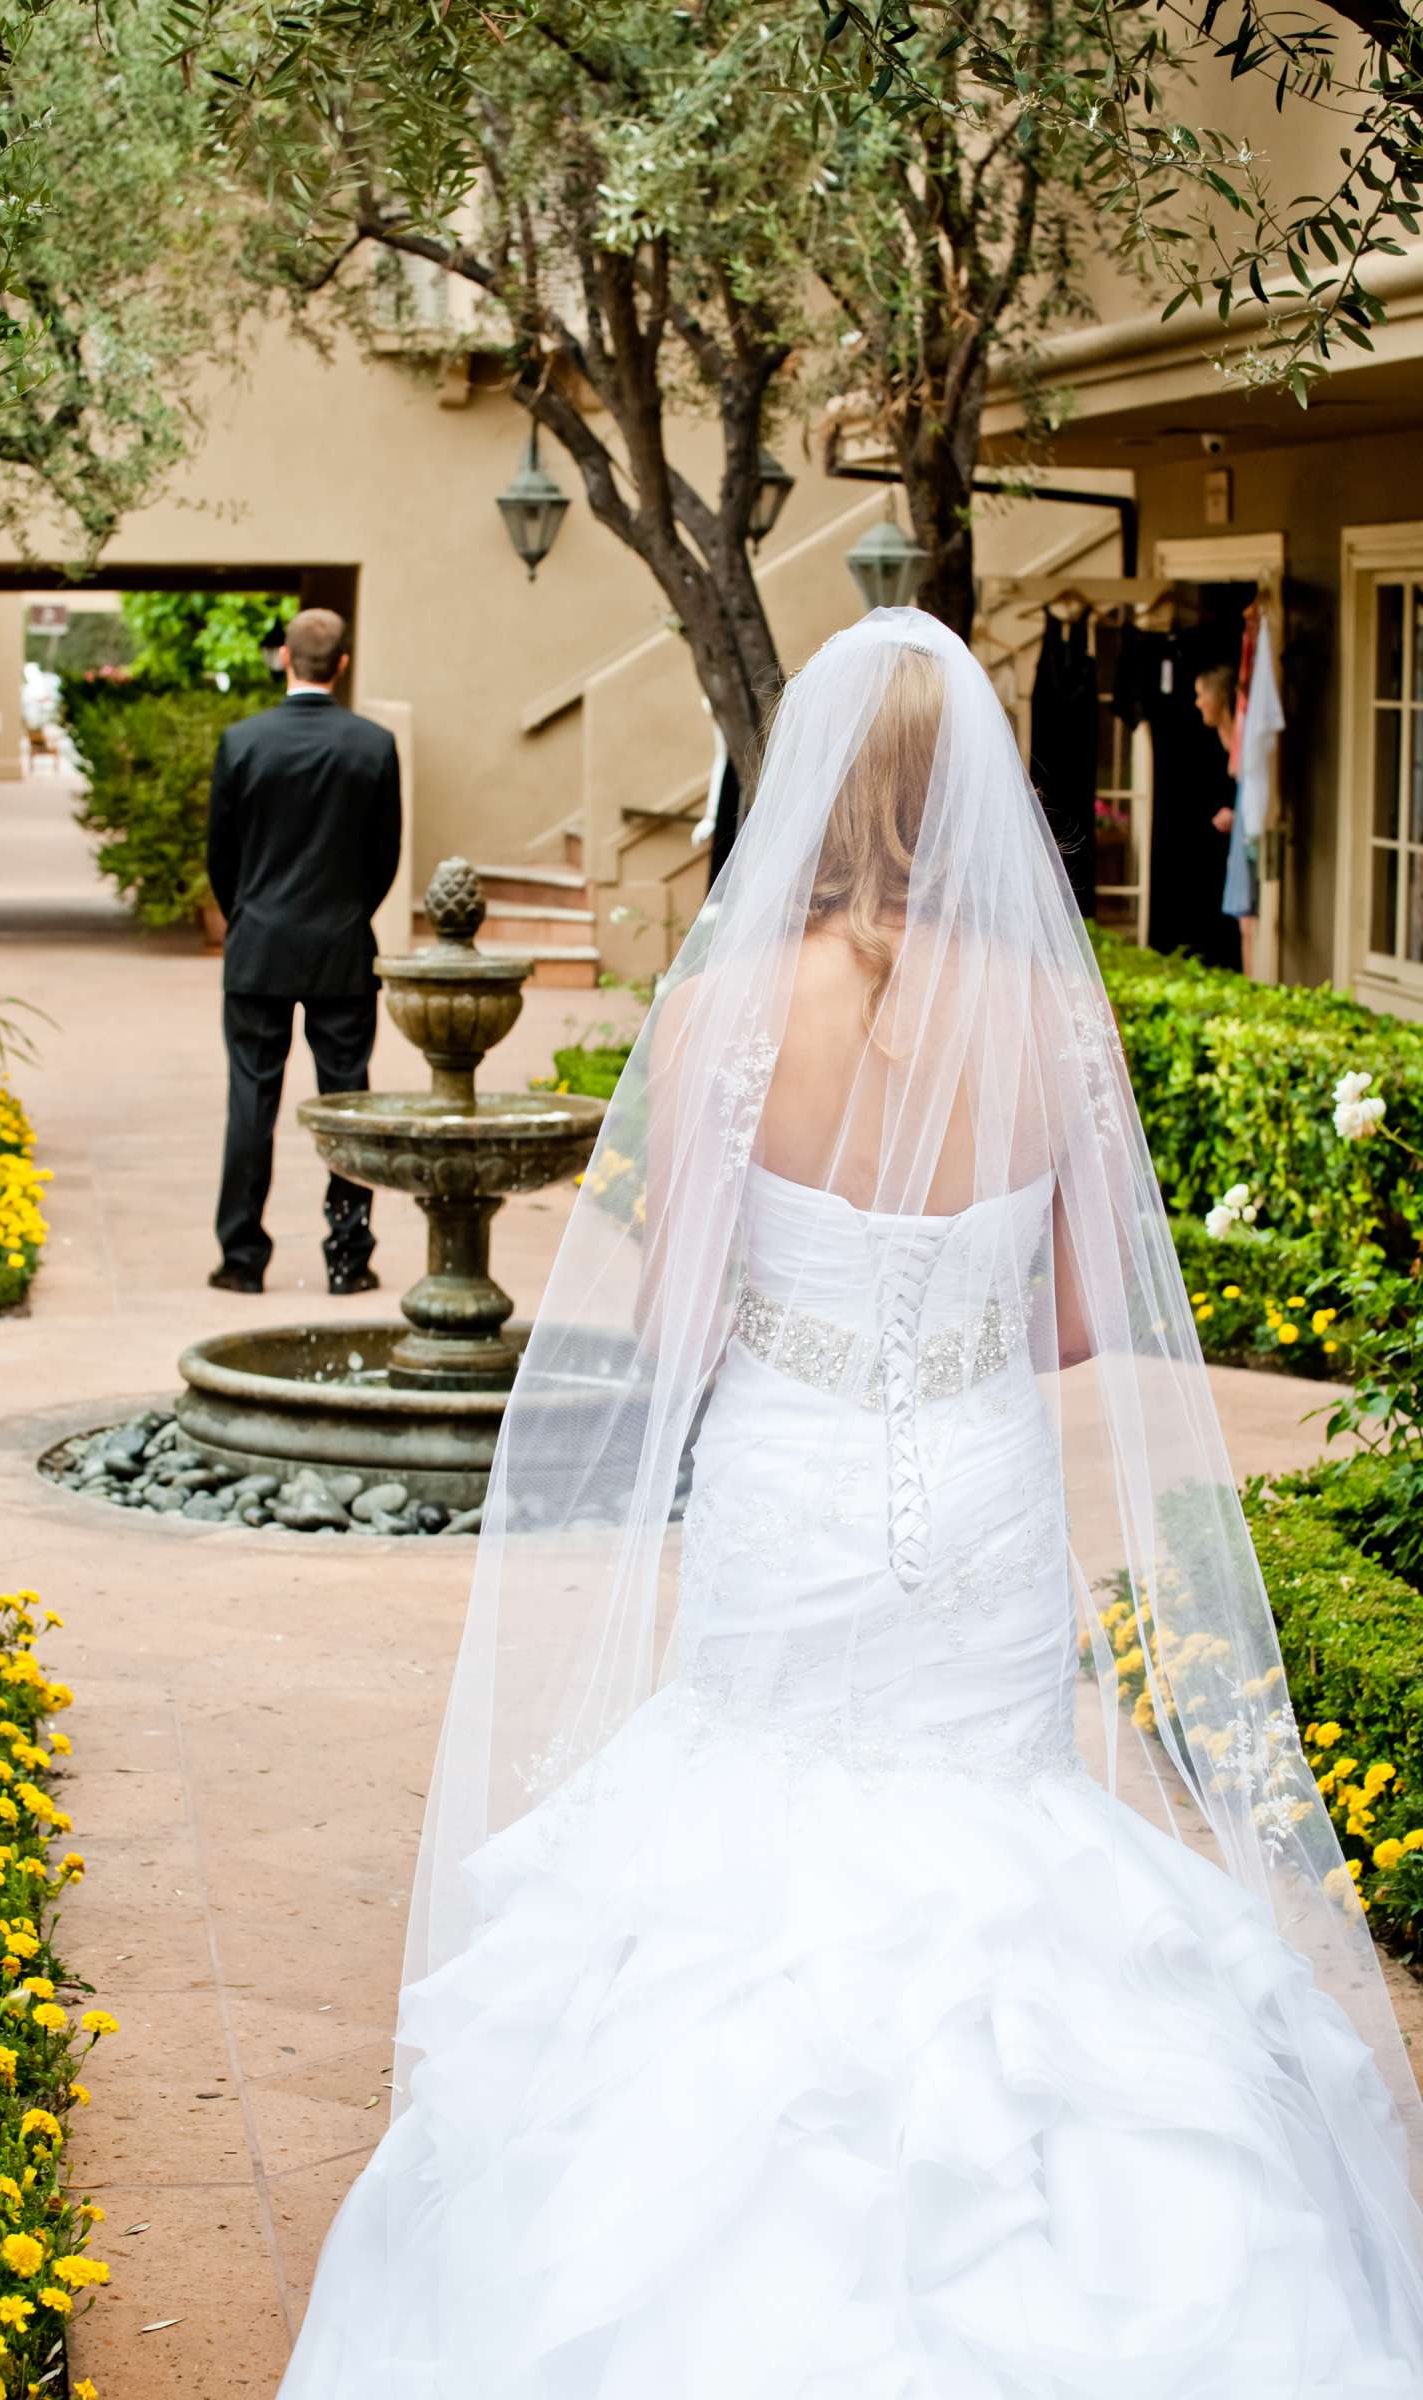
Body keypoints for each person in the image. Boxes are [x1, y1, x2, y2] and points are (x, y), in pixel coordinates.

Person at [279, 613, 1423, 2397]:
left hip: (790, 1487)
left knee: (749, 1820)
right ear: (978, 795)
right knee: (1001, 1824)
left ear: (802, 785)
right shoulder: (1053, 1008)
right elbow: (1073, 1316)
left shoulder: (726, 1005)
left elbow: (669, 1327)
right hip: (971, 1500)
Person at [206, 608, 401, 1296]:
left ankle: (241, 1260)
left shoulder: (243, 743)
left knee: (250, 1101)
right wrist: (345, 915)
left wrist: (250, 916)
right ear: (341, 664)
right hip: (341, 949)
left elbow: (220, 858)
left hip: (258, 947)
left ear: (285, 657)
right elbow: (385, 858)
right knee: (347, 1104)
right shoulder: (373, 746)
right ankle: (348, 1258)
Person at [1195, 659, 1256, 973]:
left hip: (1246, 833)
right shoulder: (1223, 737)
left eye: (1201, 694)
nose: (1197, 703)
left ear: (1218, 698)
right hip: (1232, 833)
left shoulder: (1242, 737)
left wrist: (1238, 816)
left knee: (1249, 918)